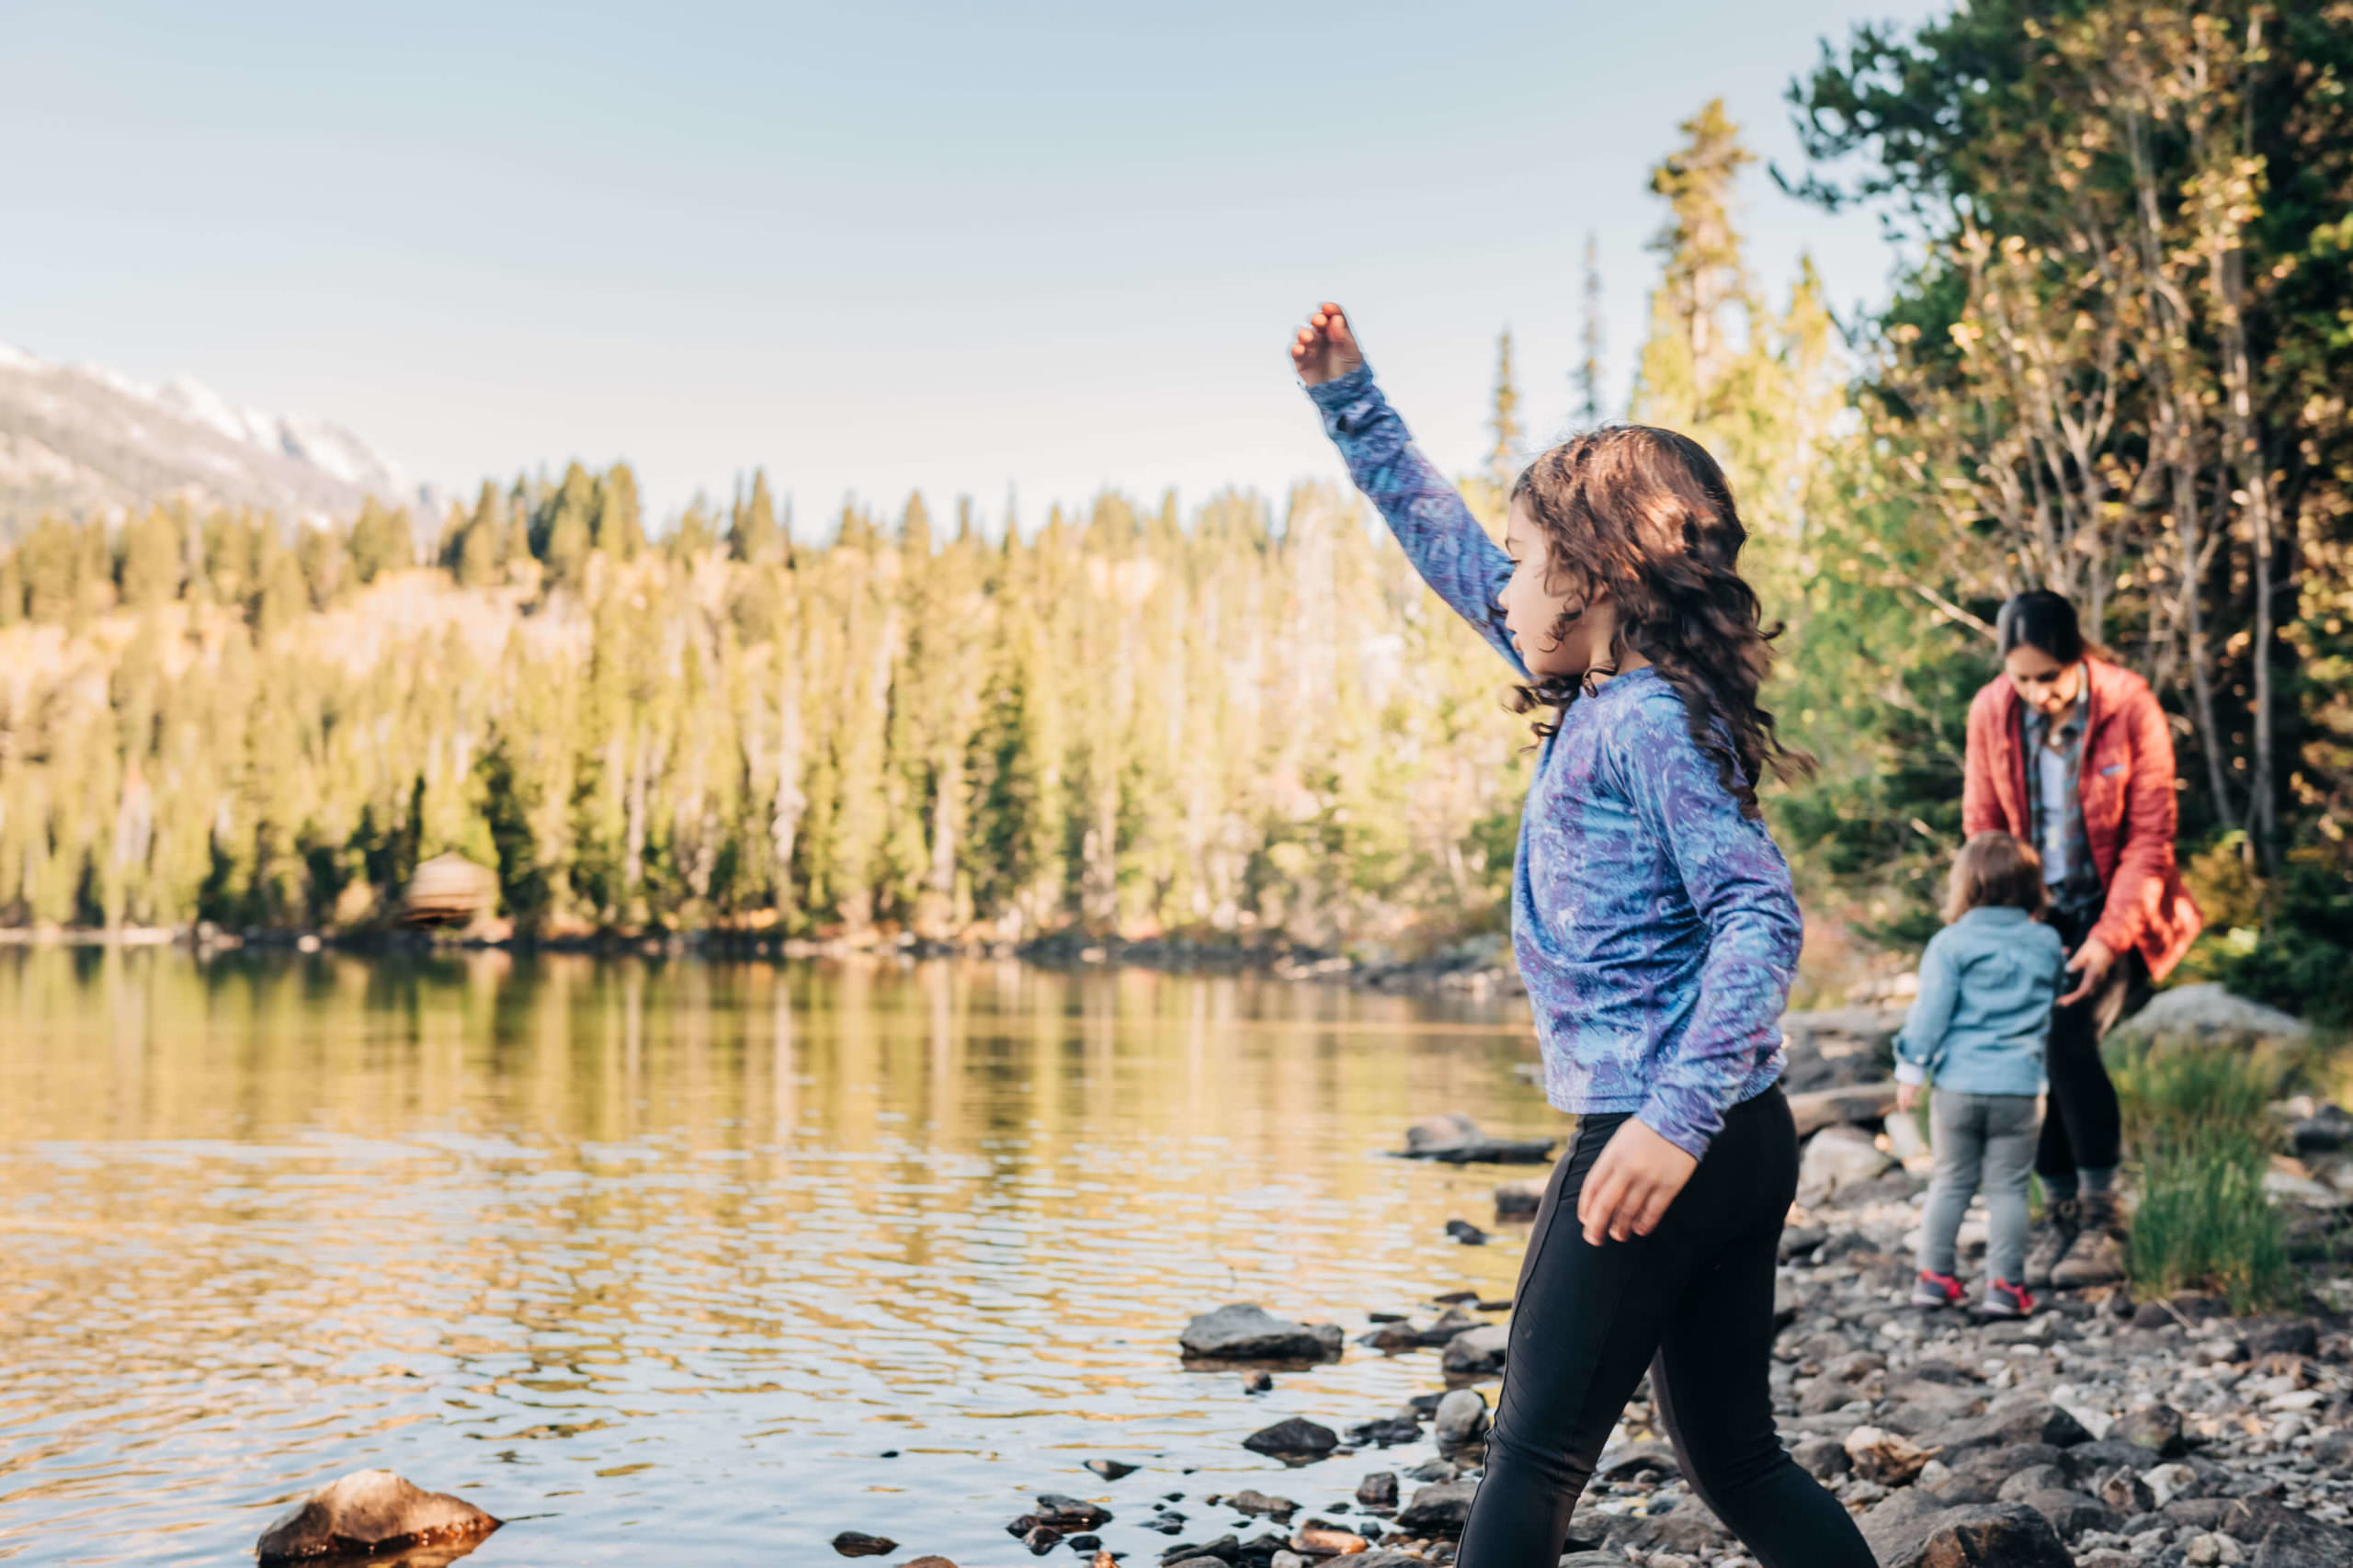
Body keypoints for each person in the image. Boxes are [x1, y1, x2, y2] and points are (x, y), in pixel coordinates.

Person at [1291, 303, 1874, 1568]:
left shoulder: (1648, 718)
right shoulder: (1613, 694)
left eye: (1524, 557)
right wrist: (1350, 399)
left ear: (1602, 574)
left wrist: (1670, 1121)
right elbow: (1443, 543)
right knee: (1738, 1458)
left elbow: (1760, 912)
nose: (1500, 584)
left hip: (1664, 1133)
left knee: (1535, 1452)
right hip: (1741, 1129)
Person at [1962, 590, 2202, 1288]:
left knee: (2065, 1036)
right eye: (2022, 678)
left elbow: (2151, 841)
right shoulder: (1991, 711)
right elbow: (1985, 829)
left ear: (2079, 658)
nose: (2035, 693)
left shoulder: (2130, 705)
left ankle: (2104, 1221)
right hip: (2031, 913)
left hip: (2120, 912)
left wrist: (2105, 940)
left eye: (2049, 677)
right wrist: (2004, 924)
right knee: (2019, 1042)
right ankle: (2061, 1218)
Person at [1895, 833, 2065, 1320]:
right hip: (2019, 1088)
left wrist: (1910, 1069)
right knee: (2009, 1189)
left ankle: (1934, 1278)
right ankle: (2006, 1288)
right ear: (2032, 886)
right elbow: (2058, 987)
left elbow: (1930, 1014)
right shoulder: (2047, 941)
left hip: (1957, 1087)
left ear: (1966, 884)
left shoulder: (1951, 943)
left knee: (1950, 1182)